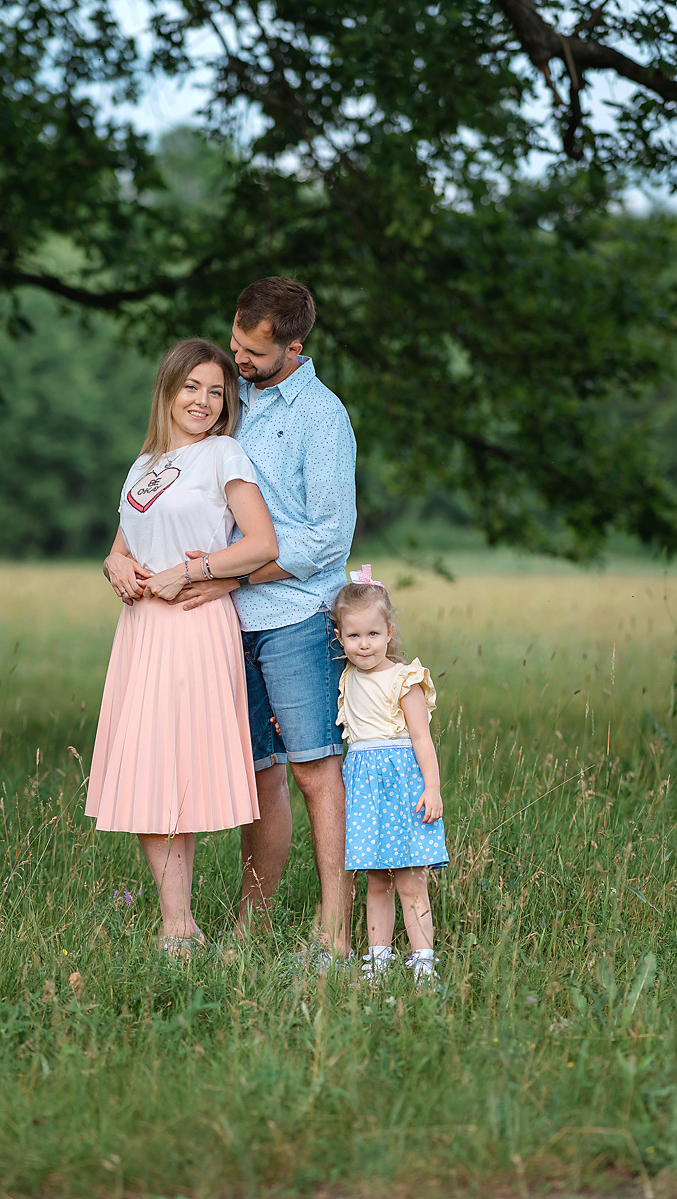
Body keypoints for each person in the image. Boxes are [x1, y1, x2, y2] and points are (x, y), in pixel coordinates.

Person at [178, 278, 357, 961]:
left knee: (315, 767)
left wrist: (234, 570)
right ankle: (252, 924)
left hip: (295, 615)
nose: (238, 361)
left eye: (252, 352)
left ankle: (333, 930)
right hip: (227, 618)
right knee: (258, 773)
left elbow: (326, 540)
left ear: (294, 346)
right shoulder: (227, 400)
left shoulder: (322, 416)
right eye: (233, 345)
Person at [85, 339, 279, 957]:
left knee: (172, 771)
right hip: (141, 630)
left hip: (193, 624)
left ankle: (176, 928)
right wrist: (114, 563)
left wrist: (192, 574)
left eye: (215, 391)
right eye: (191, 387)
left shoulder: (223, 455)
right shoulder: (145, 463)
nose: (202, 400)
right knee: (146, 771)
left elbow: (261, 544)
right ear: (167, 390)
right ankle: (180, 923)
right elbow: (125, 541)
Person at [331, 566, 449, 986]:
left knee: (411, 881)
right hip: (365, 791)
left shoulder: (404, 679)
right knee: (376, 880)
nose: (364, 645)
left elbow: (422, 740)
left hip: (403, 789)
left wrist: (432, 789)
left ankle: (423, 963)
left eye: (373, 634)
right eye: (353, 636)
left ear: (389, 631)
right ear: (340, 637)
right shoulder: (346, 679)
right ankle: (378, 961)